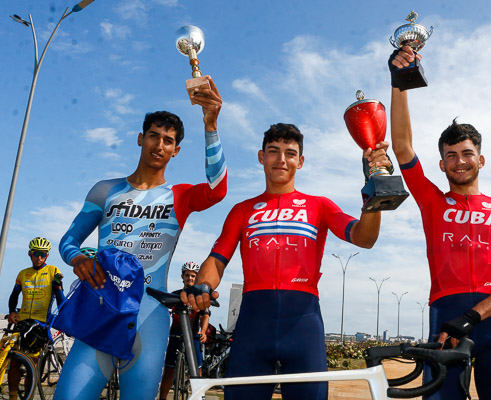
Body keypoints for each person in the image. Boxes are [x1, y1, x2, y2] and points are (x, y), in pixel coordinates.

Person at [182, 123, 392, 400]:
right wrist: (204, 286)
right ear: (261, 157)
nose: (282, 159)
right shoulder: (242, 210)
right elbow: (218, 258)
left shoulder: (320, 206)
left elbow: (365, 238)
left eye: (290, 153)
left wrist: (374, 191)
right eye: (274, 151)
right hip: (253, 328)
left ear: (300, 161)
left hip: (303, 326)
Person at [53, 76, 227, 400]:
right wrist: (78, 259)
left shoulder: (180, 196)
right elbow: (68, 240)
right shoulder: (106, 190)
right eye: (153, 136)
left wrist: (211, 124)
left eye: (168, 141)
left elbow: (218, 190)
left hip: (151, 316)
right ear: (140, 138)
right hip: (102, 309)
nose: (159, 145)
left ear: (176, 151)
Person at [388, 47, 491, 399]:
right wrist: (399, 83)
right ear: (442, 165)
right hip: (445, 318)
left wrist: (472, 316)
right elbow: (403, 147)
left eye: (467, 153)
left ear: (480, 159)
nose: (460, 161)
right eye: (450, 156)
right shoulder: (432, 202)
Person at [6, 237, 64, 400]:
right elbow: (14, 295)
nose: (39, 257)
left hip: (40, 324)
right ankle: (12, 397)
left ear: (47, 256)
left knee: (32, 364)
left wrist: (58, 286)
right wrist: (11, 312)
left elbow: (60, 300)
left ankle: (28, 397)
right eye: (36, 254)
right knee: (15, 362)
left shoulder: (53, 271)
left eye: (43, 254)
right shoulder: (23, 274)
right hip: (22, 322)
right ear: (30, 254)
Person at [158, 261, 210, 400]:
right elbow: (163, 314)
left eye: (193, 276)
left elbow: (205, 315)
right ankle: (162, 398)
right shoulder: (175, 295)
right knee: (168, 370)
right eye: (187, 275)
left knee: (197, 371)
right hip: (175, 335)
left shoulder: (200, 295)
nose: (190, 278)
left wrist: (203, 331)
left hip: (193, 336)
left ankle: (198, 397)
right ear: (182, 276)